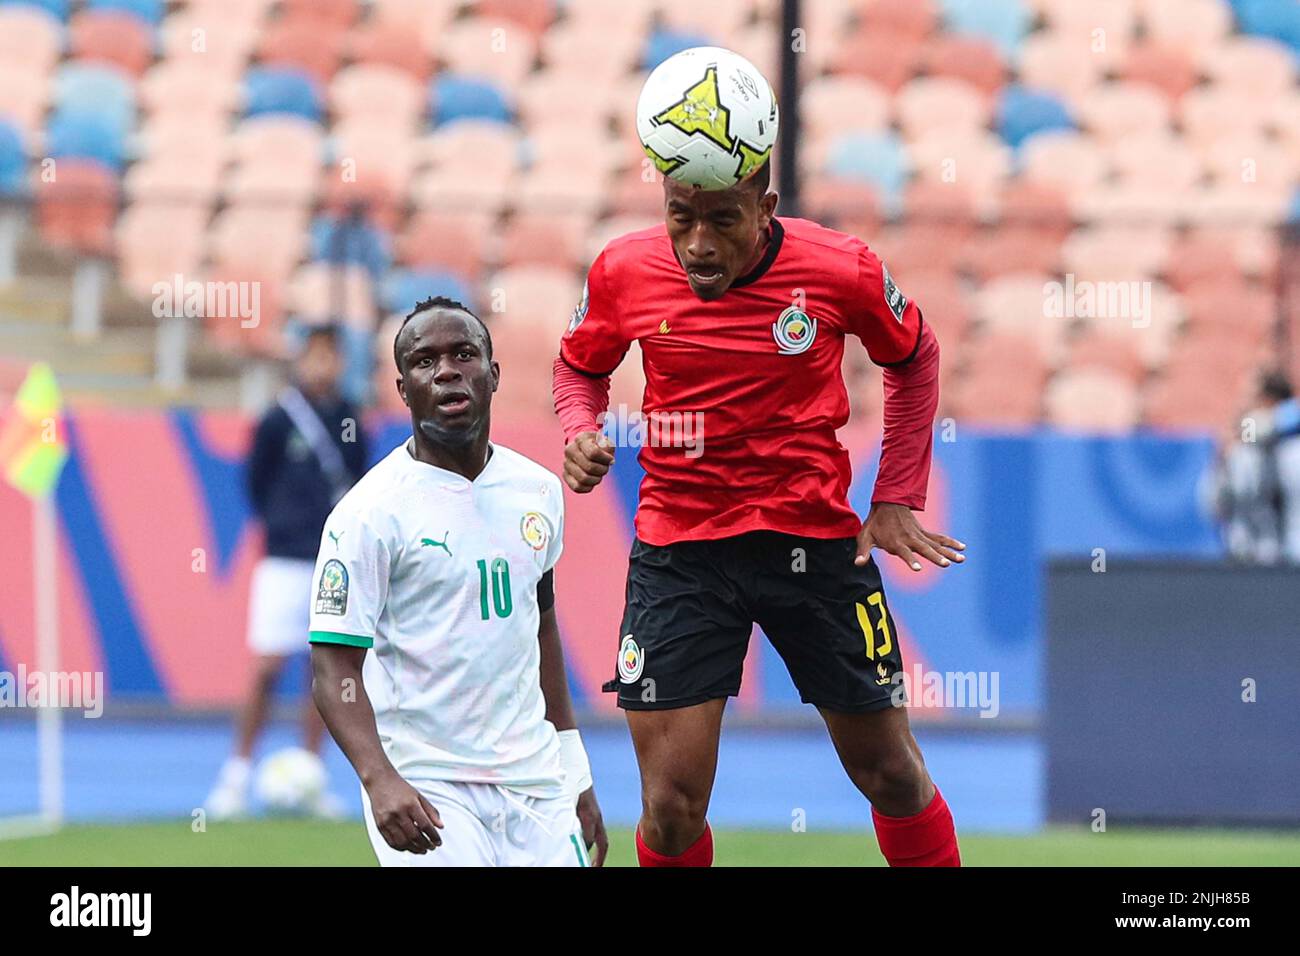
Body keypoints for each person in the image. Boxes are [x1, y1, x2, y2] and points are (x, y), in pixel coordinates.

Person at [553, 150, 964, 866]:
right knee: (670, 809)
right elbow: (579, 365)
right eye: (681, 219)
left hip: (814, 542)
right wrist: (580, 429)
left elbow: (915, 354)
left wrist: (896, 493)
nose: (698, 244)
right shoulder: (623, 269)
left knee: (892, 773)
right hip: (681, 551)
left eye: (722, 220)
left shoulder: (842, 268)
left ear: (765, 210)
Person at [309, 297, 608, 866]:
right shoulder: (368, 514)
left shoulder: (539, 491)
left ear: (493, 375)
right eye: (424, 361)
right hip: (428, 785)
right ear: (403, 389)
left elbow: (539, 631)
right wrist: (380, 780)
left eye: (464, 354)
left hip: (536, 784)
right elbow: (333, 669)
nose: (446, 370)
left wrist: (574, 769)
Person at [207, 324, 368, 819]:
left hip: (332, 565)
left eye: (331, 356)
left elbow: (359, 483)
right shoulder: (278, 418)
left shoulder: (349, 417)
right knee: (266, 667)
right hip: (283, 560)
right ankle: (235, 776)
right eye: (314, 355)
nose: (322, 365)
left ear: (341, 361)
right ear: (301, 359)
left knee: (323, 673)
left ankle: (310, 774)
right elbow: (255, 482)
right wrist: (283, 526)